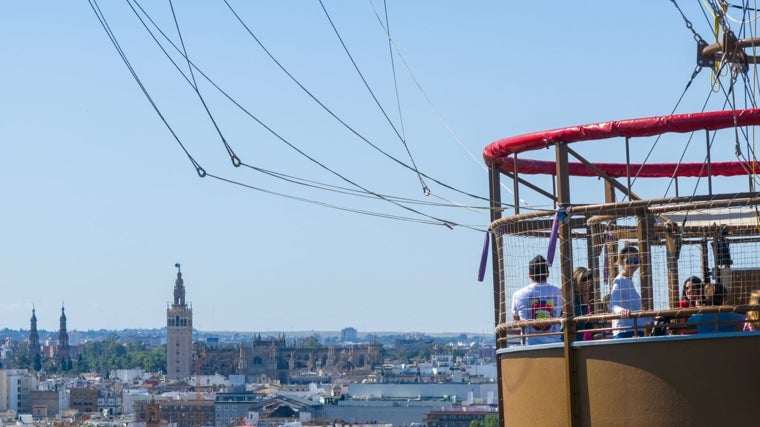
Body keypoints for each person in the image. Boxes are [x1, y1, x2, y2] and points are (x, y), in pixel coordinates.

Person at [511, 255, 563, 345]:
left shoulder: (518, 295)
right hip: (556, 344)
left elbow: (516, 319)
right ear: (548, 274)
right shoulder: (559, 292)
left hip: (529, 345)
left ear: (529, 275)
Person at [608, 246, 647, 338]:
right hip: (624, 332)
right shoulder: (619, 281)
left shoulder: (629, 281)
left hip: (636, 330)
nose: (633, 264)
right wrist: (622, 311)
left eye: (636, 261)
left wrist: (652, 318)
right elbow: (612, 305)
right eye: (629, 261)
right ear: (622, 262)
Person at [572, 267, 594, 340]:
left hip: (579, 339)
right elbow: (579, 321)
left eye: (589, 278)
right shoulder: (572, 300)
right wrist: (584, 305)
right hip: (571, 339)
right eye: (585, 279)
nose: (588, 282)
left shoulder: (581, 298)